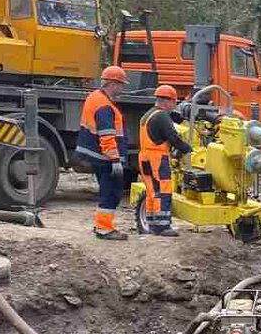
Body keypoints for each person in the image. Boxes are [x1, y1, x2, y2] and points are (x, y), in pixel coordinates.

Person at [75, 66, 130, 241]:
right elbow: (107, 136)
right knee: (111, 192)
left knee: (107, 190)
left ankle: (102, 225)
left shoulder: (95, 98)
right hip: (105, 157)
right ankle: (104, 228)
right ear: (113, 84)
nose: (123, 89)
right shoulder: (104, 105)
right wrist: (114, 159)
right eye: (121, 85)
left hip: (98, 155)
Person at [137, 84, 193, 237]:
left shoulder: (148, 114)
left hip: (144, 157)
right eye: (174, 103)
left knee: (152, 191)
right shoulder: (162, 116)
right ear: (168, 101)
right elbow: (173, 137)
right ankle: (163, 226)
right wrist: (187, 149)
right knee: (163, 190)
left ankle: (151, 223)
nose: (174, 106)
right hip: (157, 158)